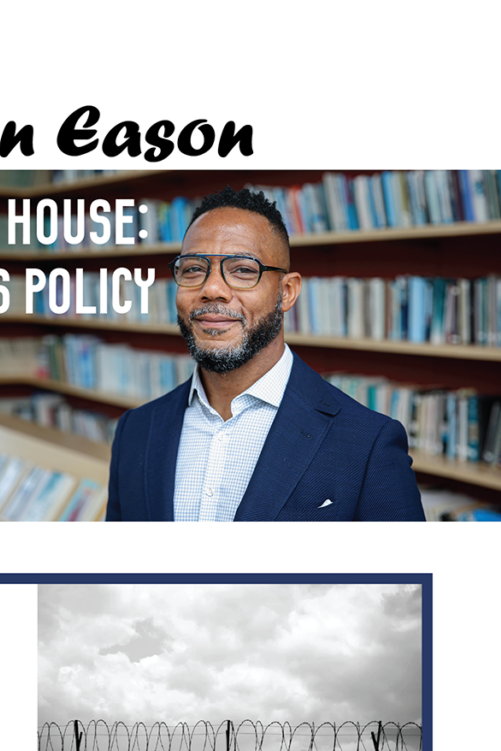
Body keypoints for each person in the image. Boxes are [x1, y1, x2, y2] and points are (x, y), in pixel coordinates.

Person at [105, 186, 425, 521]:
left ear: (287, 292)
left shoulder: (367, 444)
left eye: (243, 269)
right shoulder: (136, 430)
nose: (211, 289)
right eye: (193, 269)